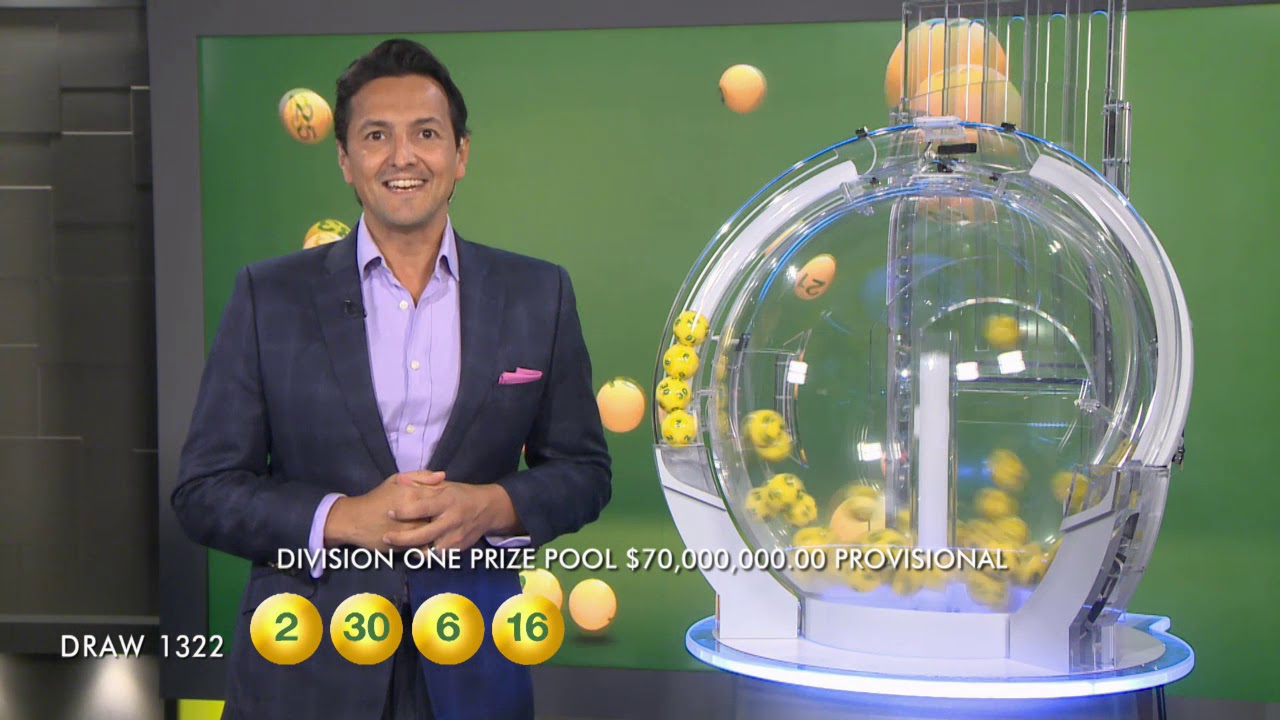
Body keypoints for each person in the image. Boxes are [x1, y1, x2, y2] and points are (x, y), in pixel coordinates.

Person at [171, 38, 612, 720]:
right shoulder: (269, 296)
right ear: (345, 159)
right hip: (307, 671)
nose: (403, 157)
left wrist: (492, 506)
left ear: (461, 154)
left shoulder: (537, 293)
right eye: (377, 136)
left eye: (426, 134)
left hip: (473, 664)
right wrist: (342, 518)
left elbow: (584, 472)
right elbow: (204, 491)